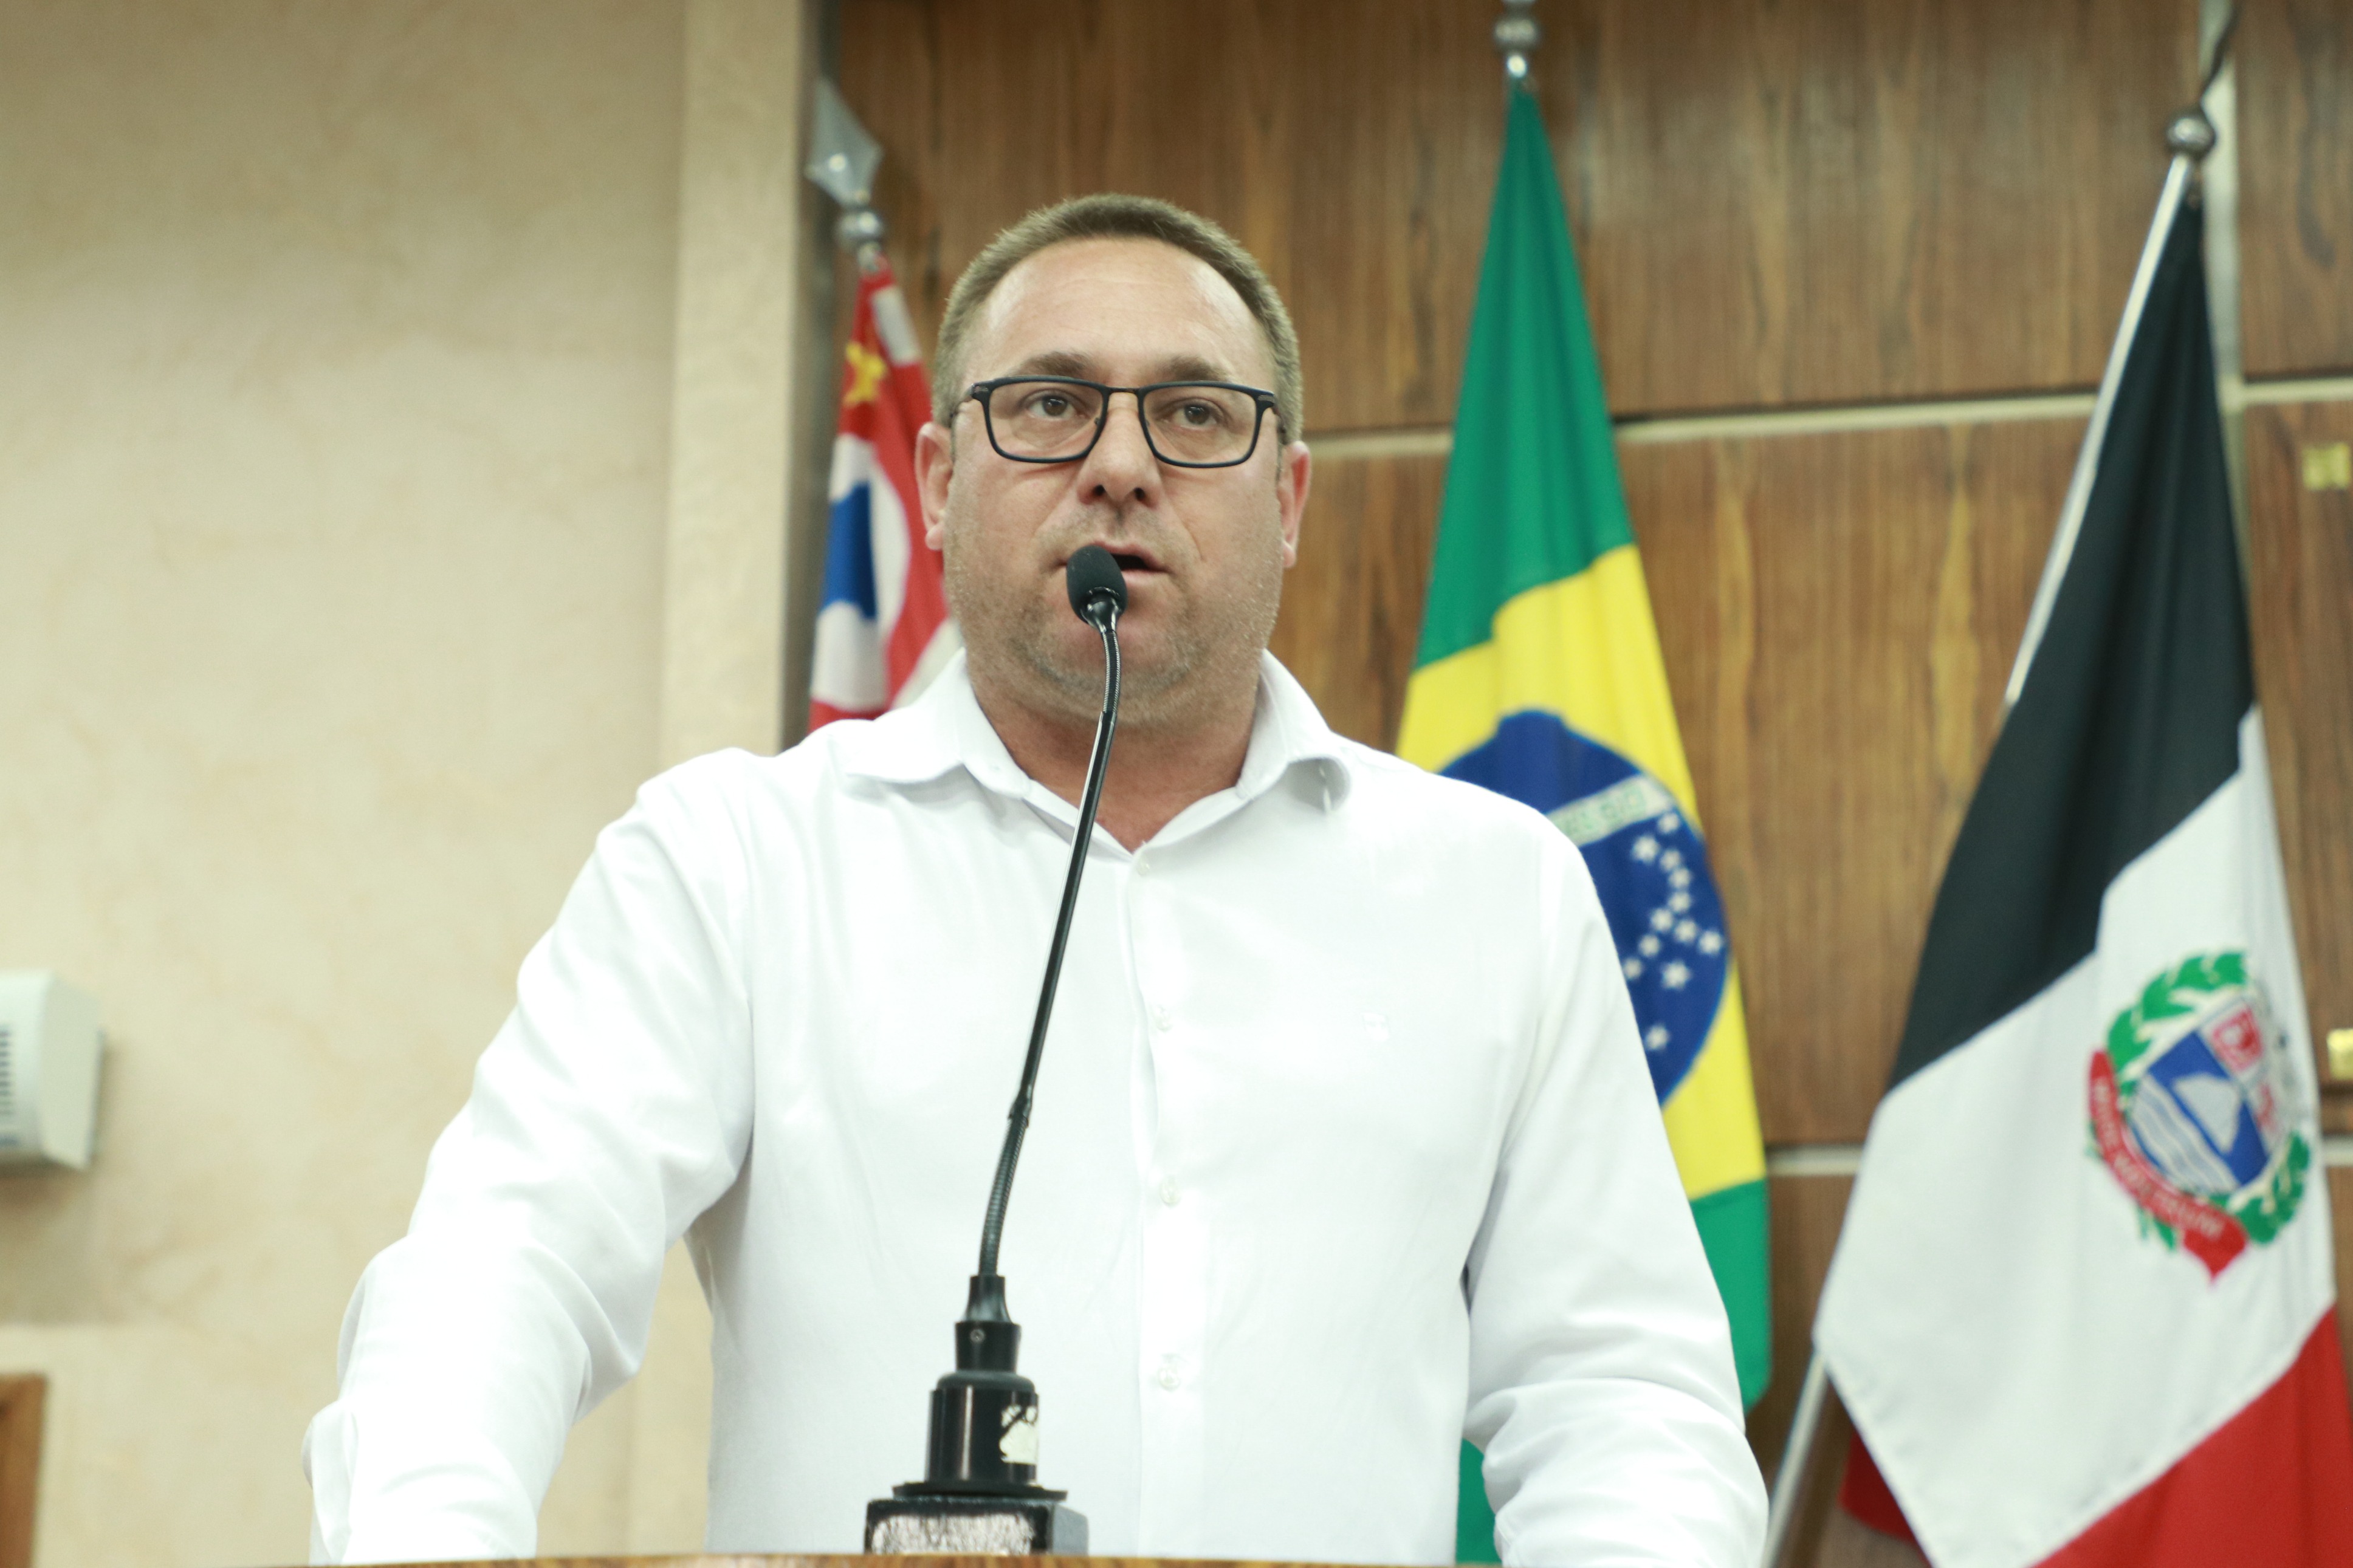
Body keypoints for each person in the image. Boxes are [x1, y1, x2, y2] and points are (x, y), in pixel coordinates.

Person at [304, 193, 1766, 1566]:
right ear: (941, 484)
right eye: (1052, 405)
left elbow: (1617, 1396)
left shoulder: (1496, 891)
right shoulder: (735, 860)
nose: (1120, 465)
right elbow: (503, 1268)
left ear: (1288, 498)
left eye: (1194, 413)